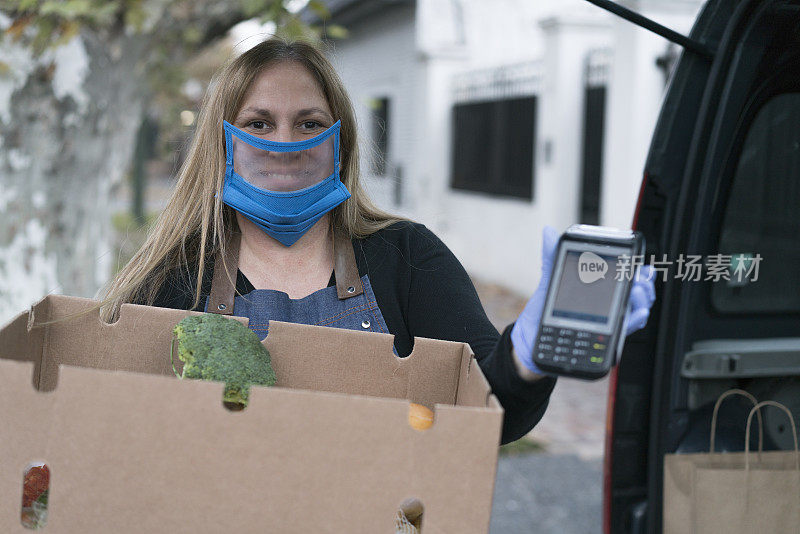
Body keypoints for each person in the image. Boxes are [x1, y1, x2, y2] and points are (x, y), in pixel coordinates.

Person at [100, 37, 655, 445]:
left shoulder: (408, 257)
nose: (286, 145)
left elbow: (487, 409)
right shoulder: (177, 276)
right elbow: (117, 430)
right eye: (260, 123)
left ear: (339, 142)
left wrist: (527, 357)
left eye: (311, 123)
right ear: (222, 142)